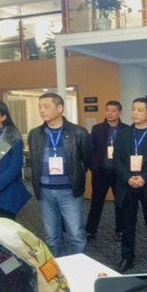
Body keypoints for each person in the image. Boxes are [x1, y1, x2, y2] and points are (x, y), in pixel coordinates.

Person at [28, 92, 92, 258]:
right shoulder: (35, 134)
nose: (42, 110)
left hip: (69, 191)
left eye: (46, 106)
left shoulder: (79, 132)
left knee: (76, 234)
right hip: (45, 191)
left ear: (60, 108)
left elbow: (87, 160)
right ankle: (60, 268)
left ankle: (80, 268)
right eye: (39, 107)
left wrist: (75, 176)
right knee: (51, 236)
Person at [113, 97, 147, 273]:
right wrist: (128, 177)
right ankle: (127, 258)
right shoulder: (123, 133)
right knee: (127, 224)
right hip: (127, 184)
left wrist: (145, 178)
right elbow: (116, 159)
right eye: (133, 109)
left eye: (140, 110)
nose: (135, 113)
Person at [85, 100, 129, 241]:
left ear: (119, 113)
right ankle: (91, 230)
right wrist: (92, 166)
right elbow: (91, 149)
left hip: (119, 173)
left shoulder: (127, 129)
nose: (110, 113)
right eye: (108, 110)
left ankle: (120, 230)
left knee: (120, 202)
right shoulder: (97, 128)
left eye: (113, 111)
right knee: (96, 202)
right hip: (101, 171)